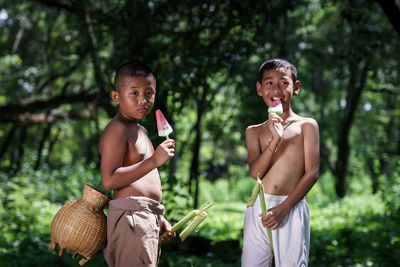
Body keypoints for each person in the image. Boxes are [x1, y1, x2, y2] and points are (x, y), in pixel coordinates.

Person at [241, 58, 320, 267]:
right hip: (259, 208)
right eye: (269, 83)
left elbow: (312, 172)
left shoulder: (306, 125)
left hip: (290, 207)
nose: (276, 89)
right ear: (259, 89)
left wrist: (284, 209)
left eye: (284, 83)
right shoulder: (254, 131)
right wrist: (274, 140)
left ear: (296, 87)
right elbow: (255, 173)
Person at [99, 61, 176, 267]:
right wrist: (153, 161)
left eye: (149, 93)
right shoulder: (118, 128)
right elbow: (109, 180)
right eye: (134, 93)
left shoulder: (141, 130)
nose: (143, 99)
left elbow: (143, 181)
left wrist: (157, 218)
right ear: (116, 96)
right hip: (130, 218)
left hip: (145, 217)